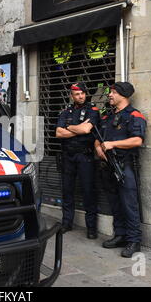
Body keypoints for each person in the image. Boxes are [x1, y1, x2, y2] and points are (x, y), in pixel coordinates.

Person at [94, 82, 147, 258]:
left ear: (123, 96)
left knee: (129, 204)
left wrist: (112, 144)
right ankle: (120, 235)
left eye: (113, 92)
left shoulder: (134, 115)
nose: (109, 95)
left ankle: (134, 241)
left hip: (124, 166)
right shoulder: (108, 116)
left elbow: (137, 140)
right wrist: (99, 148)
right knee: (115, 203)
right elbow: (98, 136)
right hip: (108, 166)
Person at [56, 83, 100, 239]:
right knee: (67, 191)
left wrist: (69, 127)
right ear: (72, 95)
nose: (80, 96)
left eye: (82, 93)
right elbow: (58, 133)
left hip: (85, 156)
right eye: (77, 94)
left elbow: (86, 130)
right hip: (68, 156)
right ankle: (66, 223)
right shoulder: (65, 111)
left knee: (88, 191)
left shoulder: (92, 110)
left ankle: (91, 228)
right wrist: (77, 128)